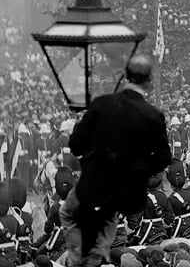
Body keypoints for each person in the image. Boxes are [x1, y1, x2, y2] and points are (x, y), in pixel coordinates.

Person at [62, 54, 171, 267]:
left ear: (125, 77)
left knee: (67, 212)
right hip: (128, 192)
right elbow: (163, 158)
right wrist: (137, 169)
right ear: (149, 82)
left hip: (94, 185)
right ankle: (98, 254)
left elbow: (76, 145)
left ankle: (79, 258)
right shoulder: (153, 115)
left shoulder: (102, 104)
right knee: (110, 215)